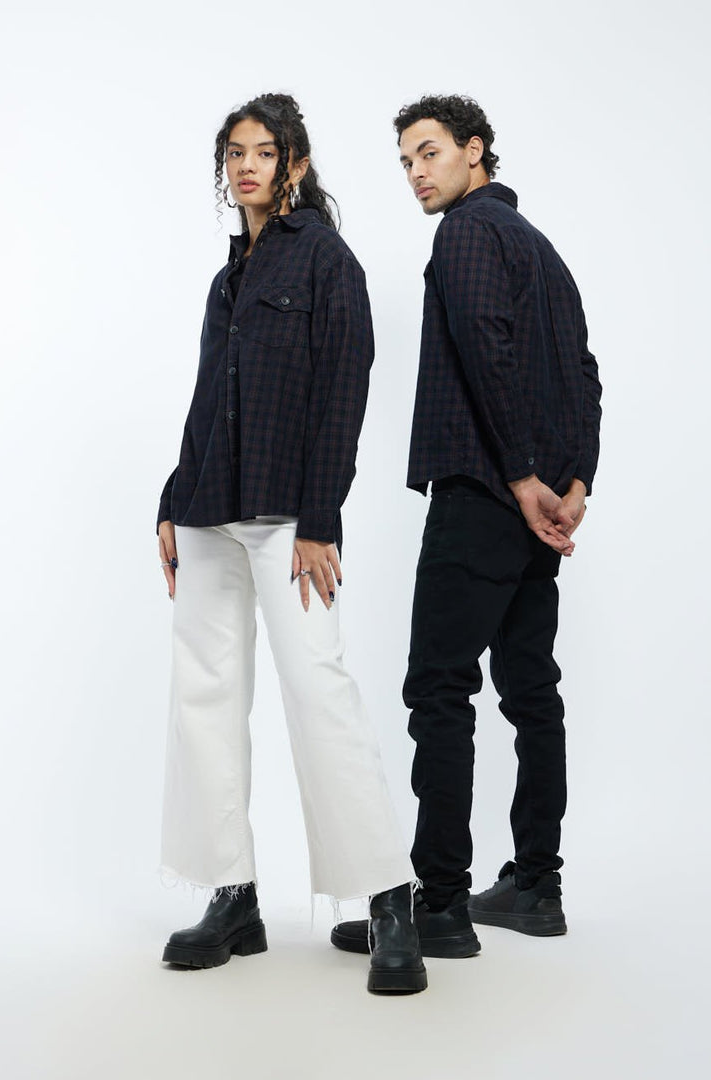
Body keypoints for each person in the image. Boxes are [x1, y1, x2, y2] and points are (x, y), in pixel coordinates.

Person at [156, 92, 426, 995]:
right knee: (204, 696)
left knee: (318, 689)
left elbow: (343, 392)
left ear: (295, 164)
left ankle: (388, 898)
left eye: (263, 152)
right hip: (208, 510)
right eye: (234, 152)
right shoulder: (226, 279)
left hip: (286, 518)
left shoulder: (326, 261)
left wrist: (320, 519)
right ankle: (233, 896)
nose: (246, 166)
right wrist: (171, 500)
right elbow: (205, 398)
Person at [331, 94, 601, 958]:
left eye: (430, 152)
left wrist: (522, 477)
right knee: (531, 692)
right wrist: (575, 483)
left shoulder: (467, 234)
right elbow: (584, 374)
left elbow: (488, 347)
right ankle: (537, 886)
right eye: (406, 161)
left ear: (474, 151)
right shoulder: (543, 250)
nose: (416, 172)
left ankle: (441, 905)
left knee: (440, 691)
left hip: (485, 494)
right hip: (532, 509)